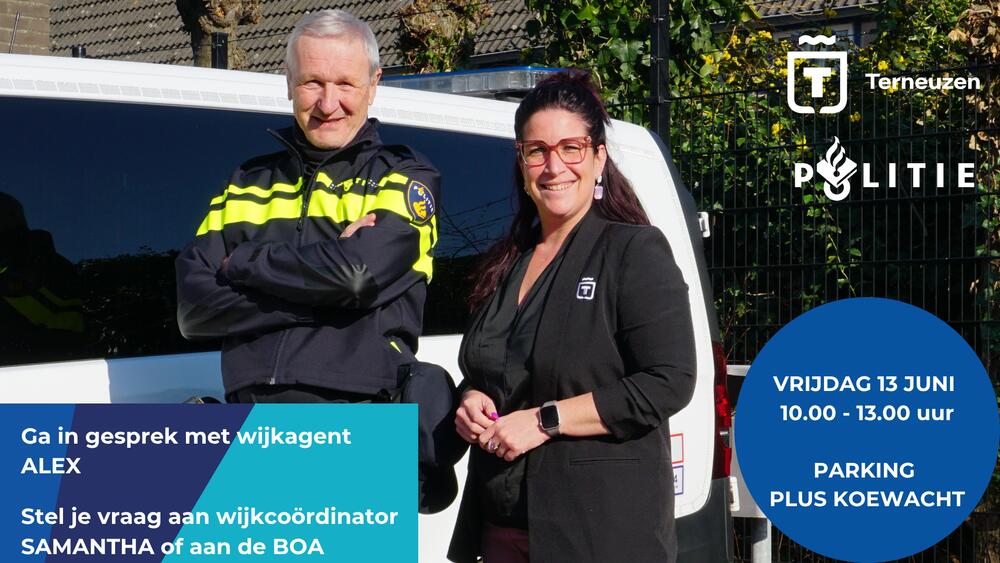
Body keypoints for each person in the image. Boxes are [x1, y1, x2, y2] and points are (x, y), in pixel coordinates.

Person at [448, 71, 696, 563]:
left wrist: (545, 421)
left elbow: (669, 380)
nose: (553, 165)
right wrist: (470, 398)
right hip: (500, 523)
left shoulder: (632, 250)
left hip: (596, 532)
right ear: (521, 161)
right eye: (536, 150)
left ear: (598, 157)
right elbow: (493, 369)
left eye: (571, 148)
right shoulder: (506, 262)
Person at [175, 10, 440, 404]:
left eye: (345, 84)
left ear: (373, 84)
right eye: (312, 82)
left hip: (360, 417)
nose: (328, 104)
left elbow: (357, 277)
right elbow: (194, 311)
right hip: (251, 419)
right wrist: (332, 293)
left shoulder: (404, 174)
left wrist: (245, 262)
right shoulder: (245, 182)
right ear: (288, 83)